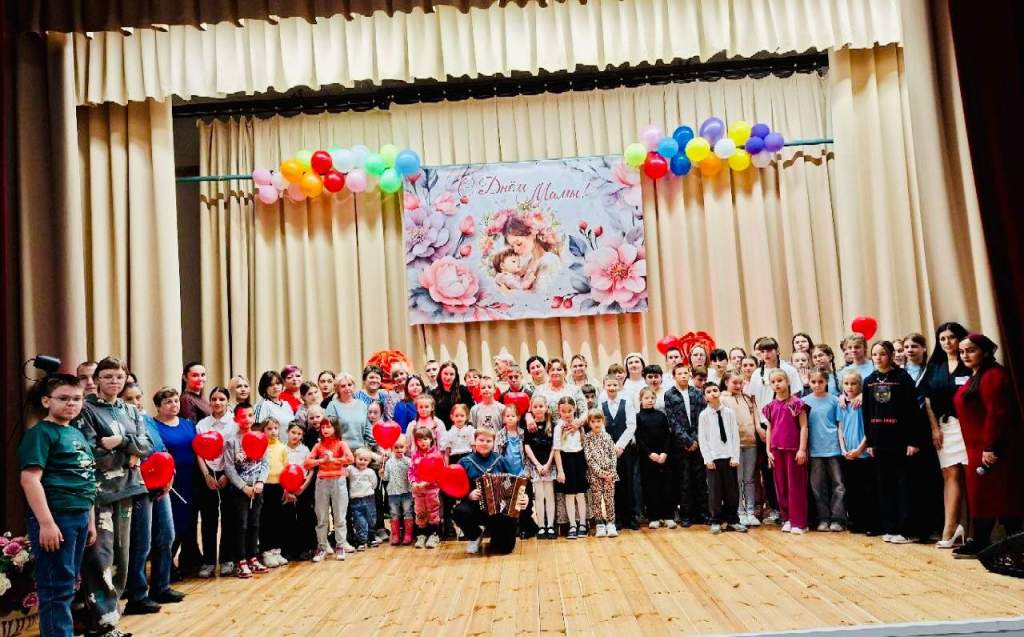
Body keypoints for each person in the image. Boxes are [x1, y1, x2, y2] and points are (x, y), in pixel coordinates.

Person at [74, 356, 153, 637]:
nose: (114, 382)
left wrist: (121, 442)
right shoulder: (85, 410)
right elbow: (92, 454)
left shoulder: (130, 410)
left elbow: (147, 445)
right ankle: (103, 622)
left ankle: (109, 619)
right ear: (97, 379)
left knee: (122, 556)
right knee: (100, 558)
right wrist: (128, 456)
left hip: (128, 491)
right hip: (101, 494)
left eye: (119, 377)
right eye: (107, 376)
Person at [19, 374, 97, 637]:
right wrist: (46, 523)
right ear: (46, 401)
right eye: (63, 398)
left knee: (69, 583)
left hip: (79, 515)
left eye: (77, 399)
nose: (71, 404)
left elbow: (86, 478)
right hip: (57, 516)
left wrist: (90, 520)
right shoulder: (40, 433)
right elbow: (30, 479)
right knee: (56, 588)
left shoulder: (75, 432)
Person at [952, 334, 1024, 558]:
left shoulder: (993, 375)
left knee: (1001, 495)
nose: (965, 355)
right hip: (976, 446)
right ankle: (982, 541)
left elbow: (996, 414)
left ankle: (1012, 545)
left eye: (971, 350)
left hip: (992, 448)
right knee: (981, 495)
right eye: (962, 352)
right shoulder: (975, 375)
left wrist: (990, 446)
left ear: (984, 351)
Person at [863, 341, 927, 544]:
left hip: (900, 441)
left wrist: (913, 441)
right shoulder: (869, 381)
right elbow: (867, 413)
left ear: (890, 355)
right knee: (885, 485)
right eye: (875, 354)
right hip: (879, 441)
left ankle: (908, 530)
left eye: (882, 354)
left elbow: (912, 411)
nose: (878, 357)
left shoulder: (902, 378)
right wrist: (870, 442)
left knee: (904, 485)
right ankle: (891, 527)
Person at [922, 322, 971, 548]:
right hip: (945, 428)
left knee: (971, 478)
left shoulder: (969, 362)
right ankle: (950, 528)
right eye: (942, 338)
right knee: (950, 476)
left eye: (951, 337)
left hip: (969, 427)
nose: (947, 342)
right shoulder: (935, 366)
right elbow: (927, 399)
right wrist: (934, 428)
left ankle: (974, 531)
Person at [149, 387, 200, 580]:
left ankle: (172, 562)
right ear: (158, 406)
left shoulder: (188, 424)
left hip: (190, 478)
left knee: (186, 523)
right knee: (169, 525)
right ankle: (165, 566)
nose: (174, 405)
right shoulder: (153, 426)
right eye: (168, 402)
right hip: (168, 480)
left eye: (176, 401)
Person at [455, 427, 530, 555]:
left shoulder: (500, 460)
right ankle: (475, 535)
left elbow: (516, 480)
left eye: (488, 441)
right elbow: (458, 488)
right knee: (459, 512)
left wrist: (524, 496)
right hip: (475, 506)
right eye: (481, 440)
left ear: (493, 443)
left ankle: (496, 535)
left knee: (504, 549)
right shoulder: (464, 462)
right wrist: (469, 495)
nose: (484, 443)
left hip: (498, 509)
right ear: (474, 441)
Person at [194, 386, 237, 577]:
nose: (217, 402)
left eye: (221, 399)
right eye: (214, 399)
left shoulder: (235, 424)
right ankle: (209, 561)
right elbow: (198, 452)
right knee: (208, 518)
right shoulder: (202, 424)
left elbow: (235, 451)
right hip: (208, 473)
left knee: (229, 517)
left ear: (227, 401)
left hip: (228, 472)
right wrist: (206, 475)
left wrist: (227, 474)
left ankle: (227, 559)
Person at [223, 404, 270, 576]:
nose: (247, 419)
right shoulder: (231, 441)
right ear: (235, 419)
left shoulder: (261, 438)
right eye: (243, 416)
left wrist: (261, 482)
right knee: (240, 525)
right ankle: (240, 560)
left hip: (257, 489)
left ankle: (252, 557)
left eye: (250, 415)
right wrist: (243, 487)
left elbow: (265, 463)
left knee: (254, 524)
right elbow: (229, 468)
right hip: (240, 491)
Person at [763, 369, 809, 534]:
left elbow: (804, 427)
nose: (777, 384)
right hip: (776, 451)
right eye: (773, 381)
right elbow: (769, 428)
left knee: (795, 485)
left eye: (780, 380)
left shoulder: (796, 403)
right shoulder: (770, 407)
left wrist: (802, 449)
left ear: (788, 381)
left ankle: (799, 522)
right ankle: (787, 518)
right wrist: (768, 450)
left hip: (793, 450)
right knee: (781, 487)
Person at [304, 416, 354, 562]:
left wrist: (334, 460)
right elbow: (307, 463)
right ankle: (322, 547)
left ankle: (340, 546)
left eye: (329, 427)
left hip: (338, 480)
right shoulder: (318, 446)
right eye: (323, 427)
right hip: (322, 482)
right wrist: (322, 460)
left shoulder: (341, 444)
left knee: (340, 516)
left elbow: (350, 459)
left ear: (335, 428)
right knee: (321, 517)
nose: (325, 429)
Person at [698, 383, 746, 534]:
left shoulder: (729, 413)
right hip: (713, 459)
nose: (713, 393)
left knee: (732, 491)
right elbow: (702, 438)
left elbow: (735, 436)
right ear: (705, 397)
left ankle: (733, 520)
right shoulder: (704, 415)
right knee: (715, 492)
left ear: (719, 392)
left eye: (715, 390)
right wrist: (708, 459)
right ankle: (716, 520)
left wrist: (735, 456)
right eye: (709, 392)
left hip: (729, 457)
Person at [664, 364, 707, 527]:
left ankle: (702, 513)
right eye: (679, 373)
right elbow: (672, 421)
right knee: (684, 480)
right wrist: (687, 441)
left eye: (685, 373)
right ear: (674, 376)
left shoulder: (697, 393)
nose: (683, 376)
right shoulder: (669, 394)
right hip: (681, 444)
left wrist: (695, 439)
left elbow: (701, 417)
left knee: (700, 479)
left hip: (698, 442)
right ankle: (686, 515)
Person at [804, 370, 846, 532]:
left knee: (838, 485)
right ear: (809, 382)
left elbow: (840, 424)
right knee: (817, 486)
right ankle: (823, 518)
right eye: (813, 382)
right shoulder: (804, 402)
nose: (817, 385)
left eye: (820, 382)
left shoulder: (835, 400)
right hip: (814, 450)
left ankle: (838, 519)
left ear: (826, 382)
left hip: (833, 448)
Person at [837, 371, 878, 535]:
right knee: (852, 489)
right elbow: (840, 428)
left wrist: (859, 449)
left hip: (864, 454)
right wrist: (843, 449)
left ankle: (871, 523)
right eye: (846, 384)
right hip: (848, 455)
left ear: (860, 385)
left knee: (868, 490)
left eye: (853, 383)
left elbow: (869, 429)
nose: (850, 387)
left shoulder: (864, 403)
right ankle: (856, 521)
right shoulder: (841, 404)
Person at [720, 370, 760, 527]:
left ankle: (750, 511)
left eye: (740, 383)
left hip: (751, 443)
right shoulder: (722, 399)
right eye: (734, 382)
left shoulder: (747, 398)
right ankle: (740, 511)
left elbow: (754, 417)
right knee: (737, 479)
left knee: (749, 479)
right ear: (726, 382)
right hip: (734, 445)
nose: (738, 385)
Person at [636, 387, 674, 529]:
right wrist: (649, 453)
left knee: (666, 486)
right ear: (641, 400)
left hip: (663, 456)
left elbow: (668, 435)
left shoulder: (661, 415)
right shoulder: (638, 417)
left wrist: (665, 453)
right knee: (651, 487)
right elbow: (639, 438)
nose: (650, 400)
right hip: (648, 457)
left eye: (652, 398)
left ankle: (668, 516)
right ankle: (654, 517)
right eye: (646, 398)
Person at [553, 397, 588, 538]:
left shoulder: (579, 425)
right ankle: (572, 525)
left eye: (570, 411)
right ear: (559, 411)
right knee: (569, 494)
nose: (567, 414)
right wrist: (560, 471)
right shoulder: (558, 428)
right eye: (563, 411)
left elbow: (583, 444)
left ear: (575, 410)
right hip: (566, 461)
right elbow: (556, 450)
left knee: (580, 493)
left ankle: (583, 524)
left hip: (579, 460)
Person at [281, 421, 316, 560]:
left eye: (299, 433)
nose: (296, 436)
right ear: (287, 432)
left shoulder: (305, 450)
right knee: (287, 519)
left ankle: (305, 548)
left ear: (303, 435)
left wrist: (303, 487)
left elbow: (311, 470)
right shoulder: (283, 449)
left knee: (304, 517)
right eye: (293, 432)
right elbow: (280, 470)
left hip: (302, 487)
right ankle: (289, 549)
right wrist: (286, 490)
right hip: (286, 489)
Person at [259, 418, 289, 567]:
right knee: (266, 520)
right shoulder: (261, 446)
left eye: (276, 428)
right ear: (263, 431)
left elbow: (286, 468)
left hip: (279, 487)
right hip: (265, 487)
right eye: (269, 429)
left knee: (278, 519)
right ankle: (266, 552)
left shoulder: (283, 447)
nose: (273, 431)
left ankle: (277, 551)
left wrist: (286, 487)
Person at [525, 396, 557, 538]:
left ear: (546, 407)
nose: (538, 409)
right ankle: (541, 526)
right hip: (535, 466)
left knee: (549, 495)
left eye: (541, 406)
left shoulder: (552, 425)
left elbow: (554, 446)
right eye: (535, 407)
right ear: (531, 409)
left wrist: (548, 464)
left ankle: (550, 525)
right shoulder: (529, 426)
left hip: (549, 465)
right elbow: (527, 446)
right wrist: (537, 465)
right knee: (538, 496)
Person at [582, 409, 618, 538]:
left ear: (603, 421)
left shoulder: (607, 437)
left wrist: (611, 472)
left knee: (609, 499)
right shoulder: (587, 438)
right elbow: (589, 458)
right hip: (595, 475)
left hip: (609, 475)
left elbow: (613, 455)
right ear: (589, 423)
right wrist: (600, 473)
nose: (596, 424)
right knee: (596, 500)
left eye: (598, 421)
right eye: (593, 421)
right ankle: (599, 524)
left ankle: (611, 523)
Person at [409, 426, 443, 549]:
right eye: (419, 440)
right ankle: (422, 534)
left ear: (431, 439)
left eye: (425, 439)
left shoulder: (437, 455)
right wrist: (413, 482)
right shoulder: (414, 455)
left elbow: (438, 473)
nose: (422, 442)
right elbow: (411, 471)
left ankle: (434, 535)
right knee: (420, 511)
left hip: (432, 490)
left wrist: (426, 482)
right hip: (418, 490)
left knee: (433, 511)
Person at [326, 373, 374, 453]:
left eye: (349, 385)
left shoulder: (361, 405)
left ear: (354, 386)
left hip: (361, 451)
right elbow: (329, 432)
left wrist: (367, 448)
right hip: (340, 451)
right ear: (337, 389)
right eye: (343, 386)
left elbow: (368, 430)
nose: (347, 388)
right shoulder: (332, 405)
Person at [382, 435, 414, 546]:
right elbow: (386, 478)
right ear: (392, 448)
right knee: (394, 513)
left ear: (406, 448)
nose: (399, 449)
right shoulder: (389, 463)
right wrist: (382, 474)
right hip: (393, 492)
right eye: (396, 447)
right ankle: (395, 535)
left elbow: (412, 476)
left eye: (401, 447)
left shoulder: (409, 462)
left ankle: (408, 535)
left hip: (406, 491)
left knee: (407, 512)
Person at [347, 448, 380, 551]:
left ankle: (371, 537)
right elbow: (345, 472)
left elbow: (374, 484)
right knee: (359, 520)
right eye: (360, 459)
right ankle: (362, 541)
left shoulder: (370, 472)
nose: (362, 462)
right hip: (356, 499)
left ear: (369, 461)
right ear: (355, 459)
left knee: (371, 518)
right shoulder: (351, 469)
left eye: (366, 460)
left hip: (369, 498)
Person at [430, 362, 475, 430]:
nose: (448, 377)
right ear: (440, 374)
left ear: (455, 376)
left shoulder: (463, 391)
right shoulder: (433, 394)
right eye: (445, 374)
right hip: (442, 431)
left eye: (451, 374)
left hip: (462, 430)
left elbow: (470, 412)